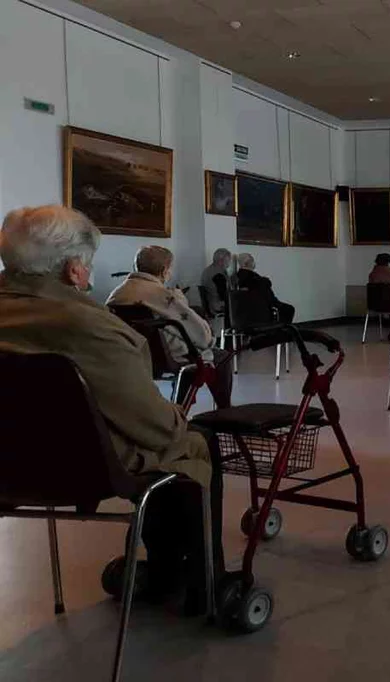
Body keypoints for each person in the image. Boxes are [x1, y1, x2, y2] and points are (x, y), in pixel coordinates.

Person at [0, 206, 226, 611]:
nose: (88, 275)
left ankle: (165, 569)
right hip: (80, 468)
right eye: (87, 266)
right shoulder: (88, 326)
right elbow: (154, 427)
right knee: (193, 443)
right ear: (73, 270)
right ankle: (200, 580)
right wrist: (179, 422)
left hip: (8, 466)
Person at [107, 245, 233, 408]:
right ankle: (222, 409)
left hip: (131, 354)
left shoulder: (117, 293)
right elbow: (202, 335)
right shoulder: (161, 295)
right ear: (164, 270)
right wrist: (181, 301)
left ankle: (180, 407)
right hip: (163, 358)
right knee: (221, 356)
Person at [235, 252, 295, 324]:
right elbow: (266, 287)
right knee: (289, 309)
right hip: (264, 306)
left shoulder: (240, 276)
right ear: (246, 263)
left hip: (252, 308)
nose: (253, 262)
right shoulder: (253, 278)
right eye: (252, 260)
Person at [200, 248, 231, 316]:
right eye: (228, 260)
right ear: (221, 261)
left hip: (210, 303)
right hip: (218, 305)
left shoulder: (207, 270)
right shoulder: (219, 274)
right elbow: (224, 295)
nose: (229, 263)